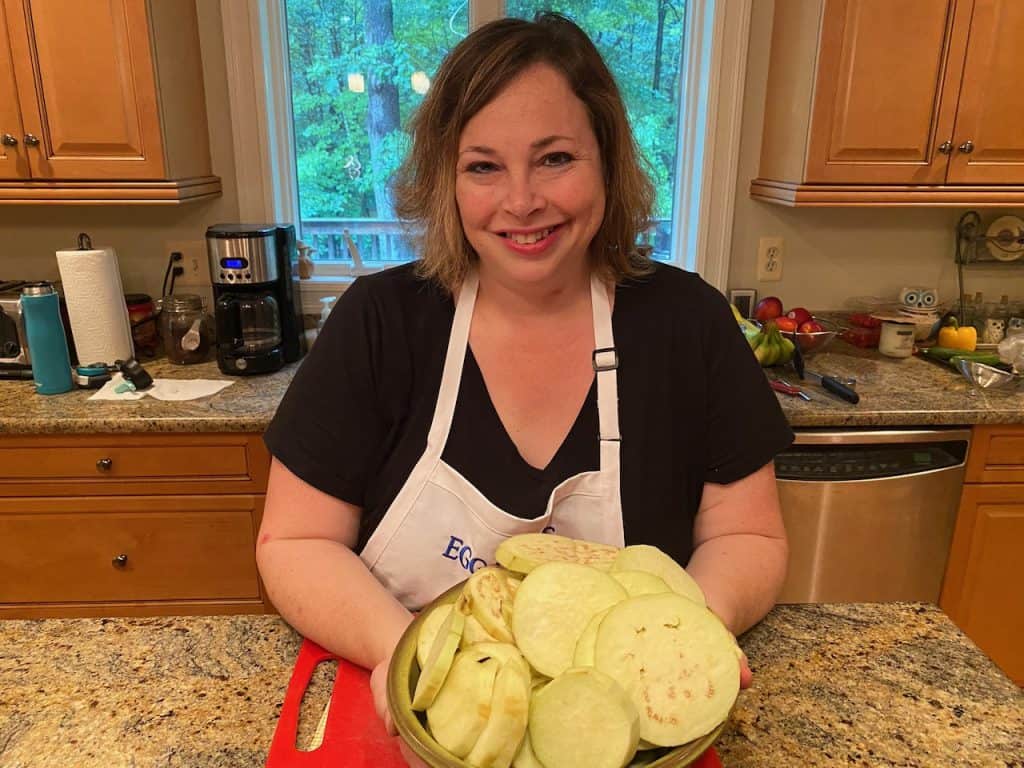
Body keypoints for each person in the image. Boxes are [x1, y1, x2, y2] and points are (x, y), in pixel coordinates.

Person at [258, 12, 791, 764]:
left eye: (555, 159)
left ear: (607, 161)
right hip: (425, 716)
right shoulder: (381, 321)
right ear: (446, 178)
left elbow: (750, 534)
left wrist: (683, 642)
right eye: (483, 166)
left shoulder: (686, 321)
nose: (521, 202)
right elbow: (297, 542)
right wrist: (409, 655)